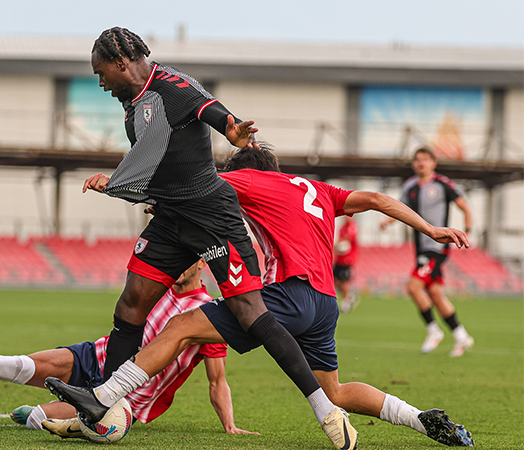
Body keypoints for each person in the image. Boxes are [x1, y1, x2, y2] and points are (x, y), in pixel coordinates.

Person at [47, 144, 474, 448]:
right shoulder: (318, 189)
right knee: (335, 392)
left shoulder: (250, 180)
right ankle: (420, 419)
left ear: (245, 170)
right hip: (324, 304)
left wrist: (118, 184)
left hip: (287, 294)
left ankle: (103, 396)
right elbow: (378, 199)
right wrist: (432, 230)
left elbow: (195, 188)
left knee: (180, 327)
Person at [78, 27, 352, 448]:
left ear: (121, 63)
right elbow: (155, 157)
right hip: (171, 217)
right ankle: (110, 405)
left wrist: (231, 129)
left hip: (211, 215)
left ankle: (326, 410)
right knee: (132, 304)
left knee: (250, 312)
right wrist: (123, 181)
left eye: (101, 74)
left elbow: (211, 110)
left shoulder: (172, 84)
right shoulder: (134, 103)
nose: (100, 83)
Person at [0, 260, 257, 438]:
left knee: (37, 420)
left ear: (201, 263)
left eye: (187, 256)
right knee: (16, 365)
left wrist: (229, 425)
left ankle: (41, 412)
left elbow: (216, 380)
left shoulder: (207, 315)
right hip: (93, 356)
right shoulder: (154, 286)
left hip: (122, 398)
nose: (177, 261)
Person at [380, 147, 474, 357]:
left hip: (437, 247)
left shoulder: (443, 184)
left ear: (434, 162)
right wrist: (387, 221)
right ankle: (461, 336)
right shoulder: (410, 186)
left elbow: (465, 207)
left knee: (413, 287)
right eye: (417, 160)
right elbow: (399, 208)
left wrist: (467, 232)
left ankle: (433, 330)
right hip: (421, 247)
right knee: (435, 294)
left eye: (425, 159)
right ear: (414, 164)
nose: (421, 163)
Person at [334, 216, 359, 313]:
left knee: (344, 281)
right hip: (339, 259)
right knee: (336, 281)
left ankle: (346, 302)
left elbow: (348, 240)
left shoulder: (352, 227)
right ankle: (349, 296)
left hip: (348, 259)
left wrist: (338, 245)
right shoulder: (342, 227)